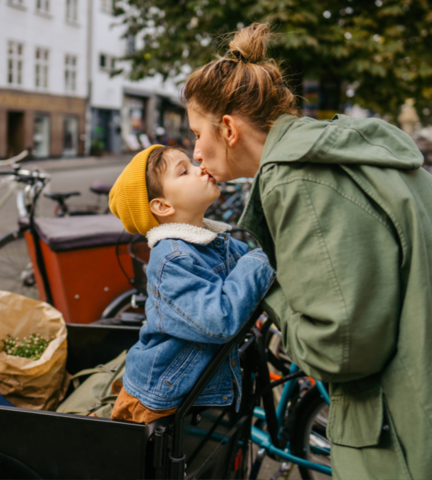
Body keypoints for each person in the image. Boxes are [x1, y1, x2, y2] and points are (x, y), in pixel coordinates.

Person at [183, 22, 432, 480]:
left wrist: (265, 287)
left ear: (228, 128)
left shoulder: (294, 180)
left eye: (197, 134)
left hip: (400, 435)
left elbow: (340, 350)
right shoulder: (345, 153)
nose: (196, 152)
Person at [108, 145, 275, 424]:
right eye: (184, 171)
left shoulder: (214, 242)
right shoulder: (171, 259)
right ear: (163, 206)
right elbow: (220, 319)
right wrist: (263, 256)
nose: (201, 168)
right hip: (160, 405)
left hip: (188, 396)